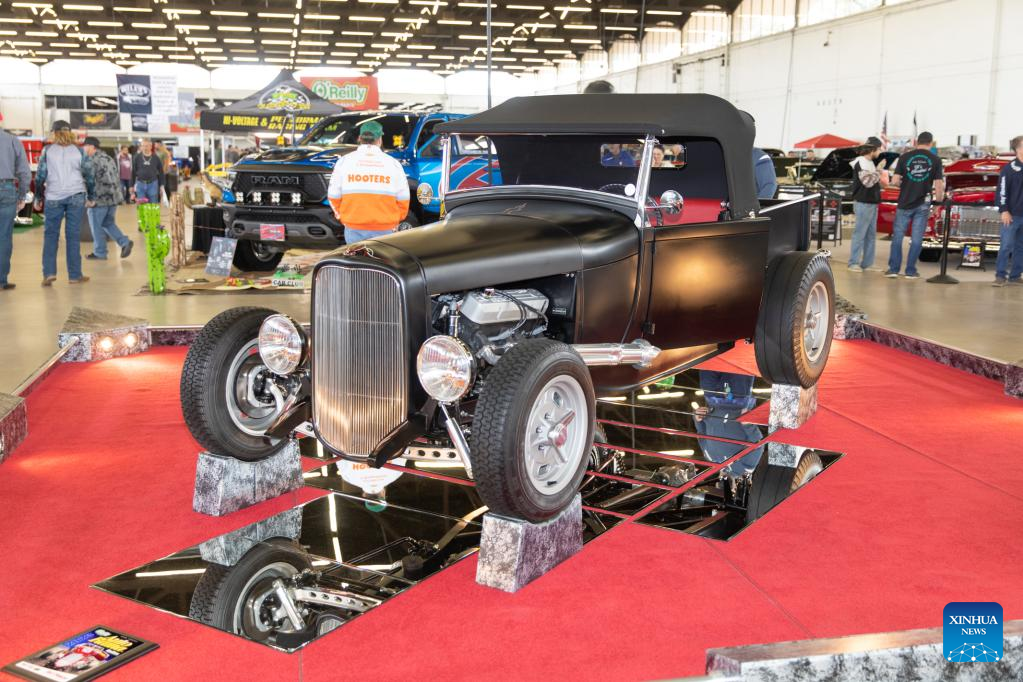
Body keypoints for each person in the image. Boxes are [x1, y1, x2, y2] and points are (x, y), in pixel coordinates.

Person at [327, 120, 410, 244]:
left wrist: (342, 216)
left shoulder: (344, 162)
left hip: (354, 227)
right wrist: (396, 218)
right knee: (383, 257)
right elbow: (404, 197)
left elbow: (333, 195)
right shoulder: (393, 164)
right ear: (380, 139)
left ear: (359, 138)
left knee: (357, 256)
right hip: (386, 228)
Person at [33, 120, 95, 285]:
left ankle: (49, 273)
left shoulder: (47, 151)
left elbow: (40, 176)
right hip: (76, 195)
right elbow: (89, 175)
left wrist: (38, 197)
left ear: (54, 133)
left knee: (50, 235)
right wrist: (91, 196)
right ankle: (74, 275)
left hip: (53, 197)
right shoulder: (79, 151)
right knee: (73, 236)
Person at [885, 132, 944, 279]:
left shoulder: (904, 157)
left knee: (898, 237)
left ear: (917, 142)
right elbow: (938, 185)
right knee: (917, 239)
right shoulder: (935, 160)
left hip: (904, 202)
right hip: (923, 203)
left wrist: (905, 184)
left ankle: (893, 270)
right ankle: (910, 271)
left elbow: (895, 181)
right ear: (931, 143)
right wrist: (938, 203)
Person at [82, 137, 133, 261]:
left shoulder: (91, 160)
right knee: (107, 223)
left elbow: (89, 181)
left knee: (96, 226)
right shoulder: (108, 158)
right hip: (113, 198)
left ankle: (100, 252)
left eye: (85, 146)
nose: (84, 148)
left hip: (99, 199)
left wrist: (89, 198)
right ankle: (125, 242)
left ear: (91, 146)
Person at [0, 116, 31, 291]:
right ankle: (1, 280)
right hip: (7, 189)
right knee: (4, 236)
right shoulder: (12, 140)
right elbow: (24, 171)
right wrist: (21, 195)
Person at [847, 136, 885, 272]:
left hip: (871, 202)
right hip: (863, 203)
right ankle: (853, 263)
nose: (880, 152)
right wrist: (879, 170)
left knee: (870, 235)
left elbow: (872, 181)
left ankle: (867, 263)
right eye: (879, 149)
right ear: (872, 149)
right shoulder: (861, 162)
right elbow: (868, 182)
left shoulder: (869, 162)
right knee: (860, 234)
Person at [994, 135, 1023, 286]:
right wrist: (1004, 210)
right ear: (1017, 149)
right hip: (1012, 215)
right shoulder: (1009, 169)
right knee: (1006, 246)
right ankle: (1000, 276)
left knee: (1021, 247)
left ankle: (1015, 276)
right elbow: (1002, 191)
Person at [130, 139, 164, 204]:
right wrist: (131, 185)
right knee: (141, 206)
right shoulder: (137, 157)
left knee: (153, 205)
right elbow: (133, 172)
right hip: (140, 184)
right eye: (143, 146)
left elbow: (161, 172)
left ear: (151, 147)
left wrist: (162, 185)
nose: (145, 148)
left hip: (153, 184)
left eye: (146, 146)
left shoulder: (156, 158)